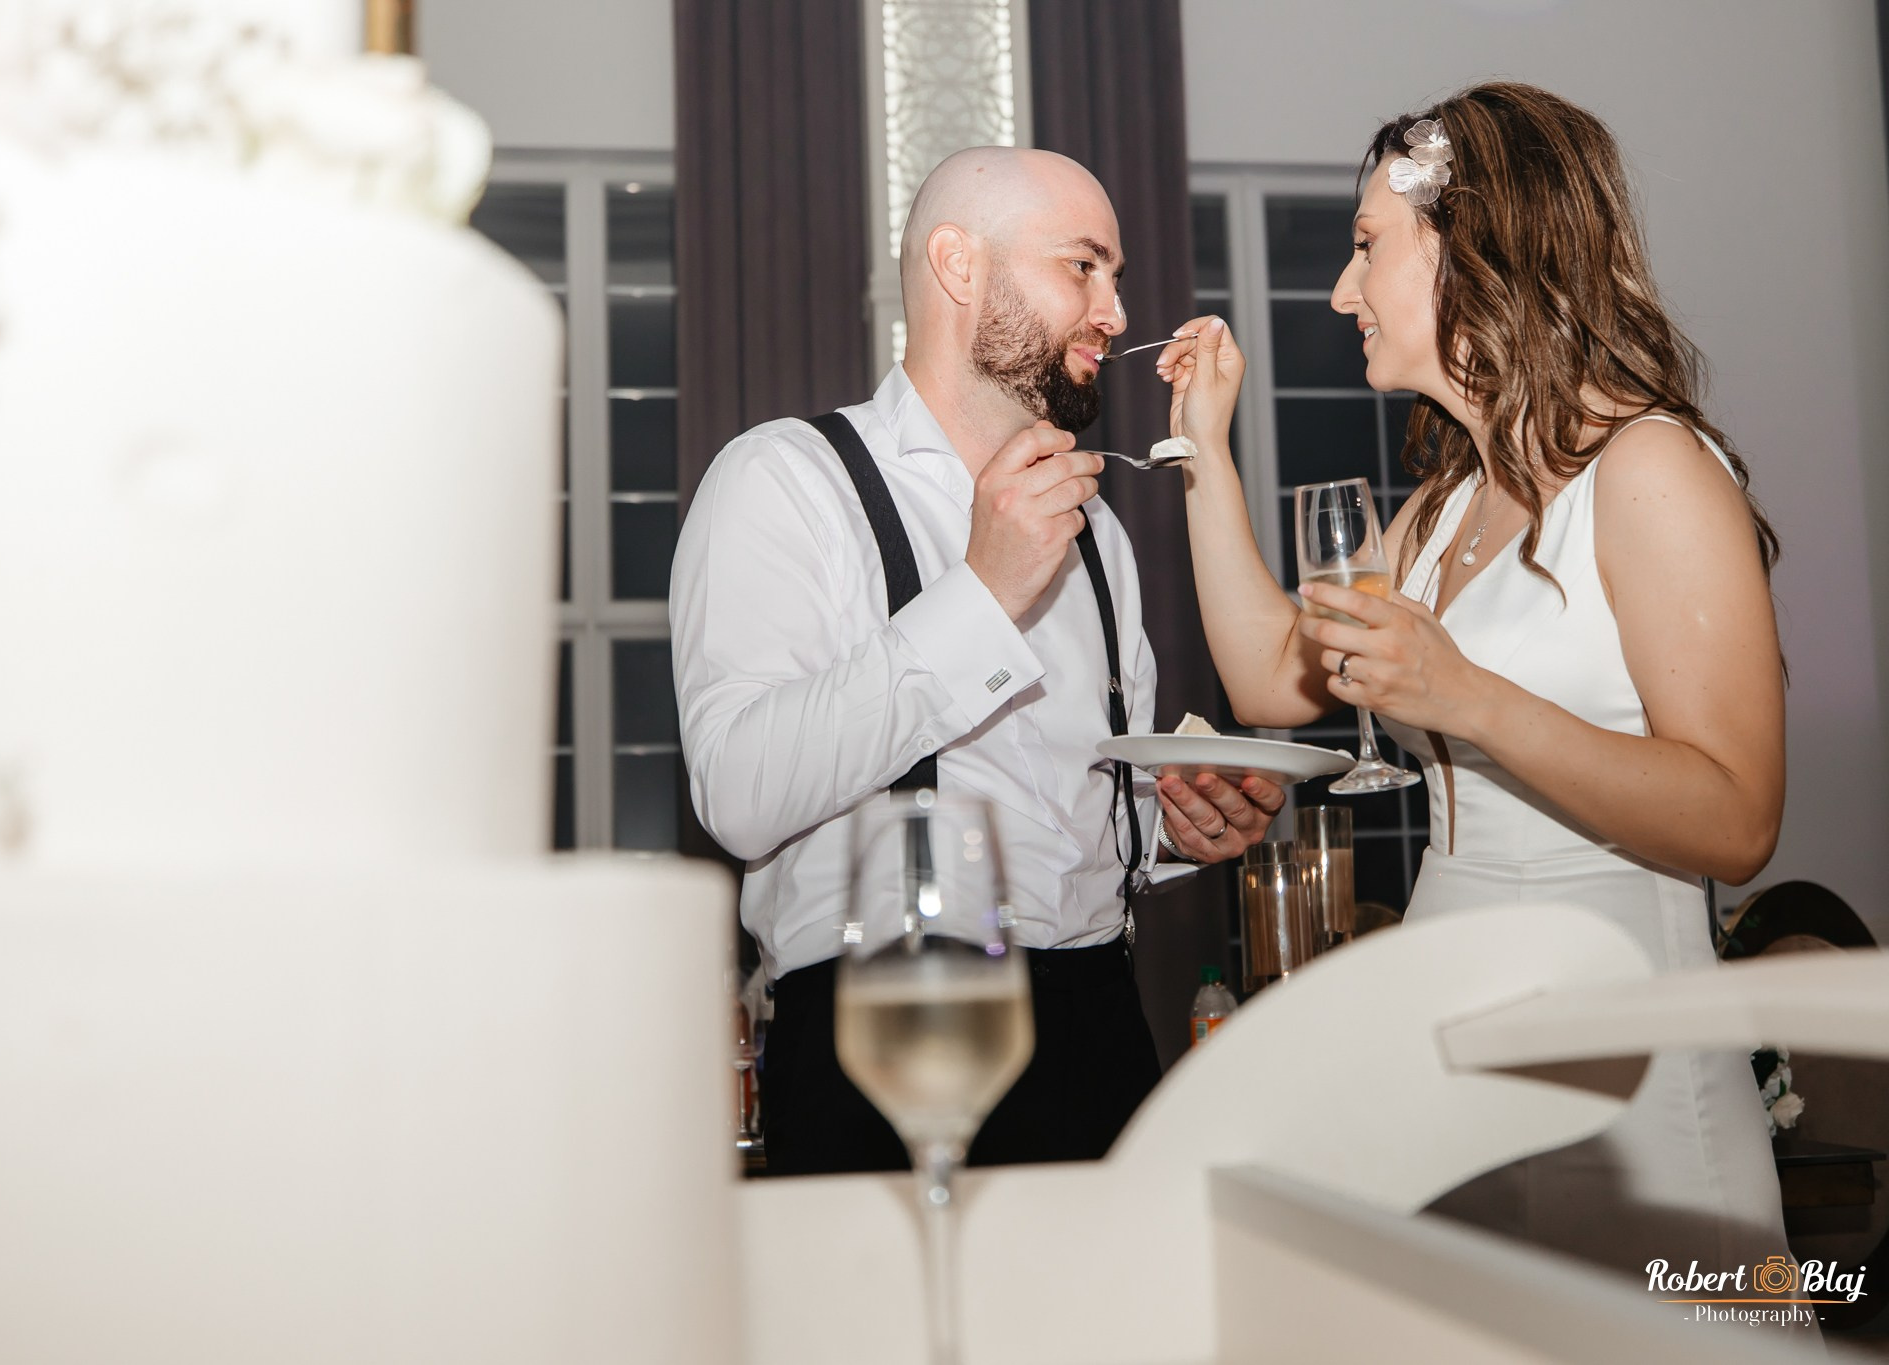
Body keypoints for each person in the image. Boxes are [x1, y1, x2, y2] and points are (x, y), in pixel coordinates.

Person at [1154, 83, 1798, 1283]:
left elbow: (1737, 816)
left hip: (1625, 1060)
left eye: (1364, 249)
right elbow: (1267, 677)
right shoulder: (1443, 505)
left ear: (1478, 246)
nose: (1340, 292)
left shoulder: (1649, 467)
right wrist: (1202, 447)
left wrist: (1463, 697)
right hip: (1444, 1056)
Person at [670, 146, 1284, 1177]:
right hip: (885, 1036)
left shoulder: (1101, 537)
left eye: (1116, 276)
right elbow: (735, 790)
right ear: (959, 267)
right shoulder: (784, 480)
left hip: (1102, 1031)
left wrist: (1173, 826)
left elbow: (1069, 824)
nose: (1116, 311)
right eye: (1082, 267)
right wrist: (982, 595)